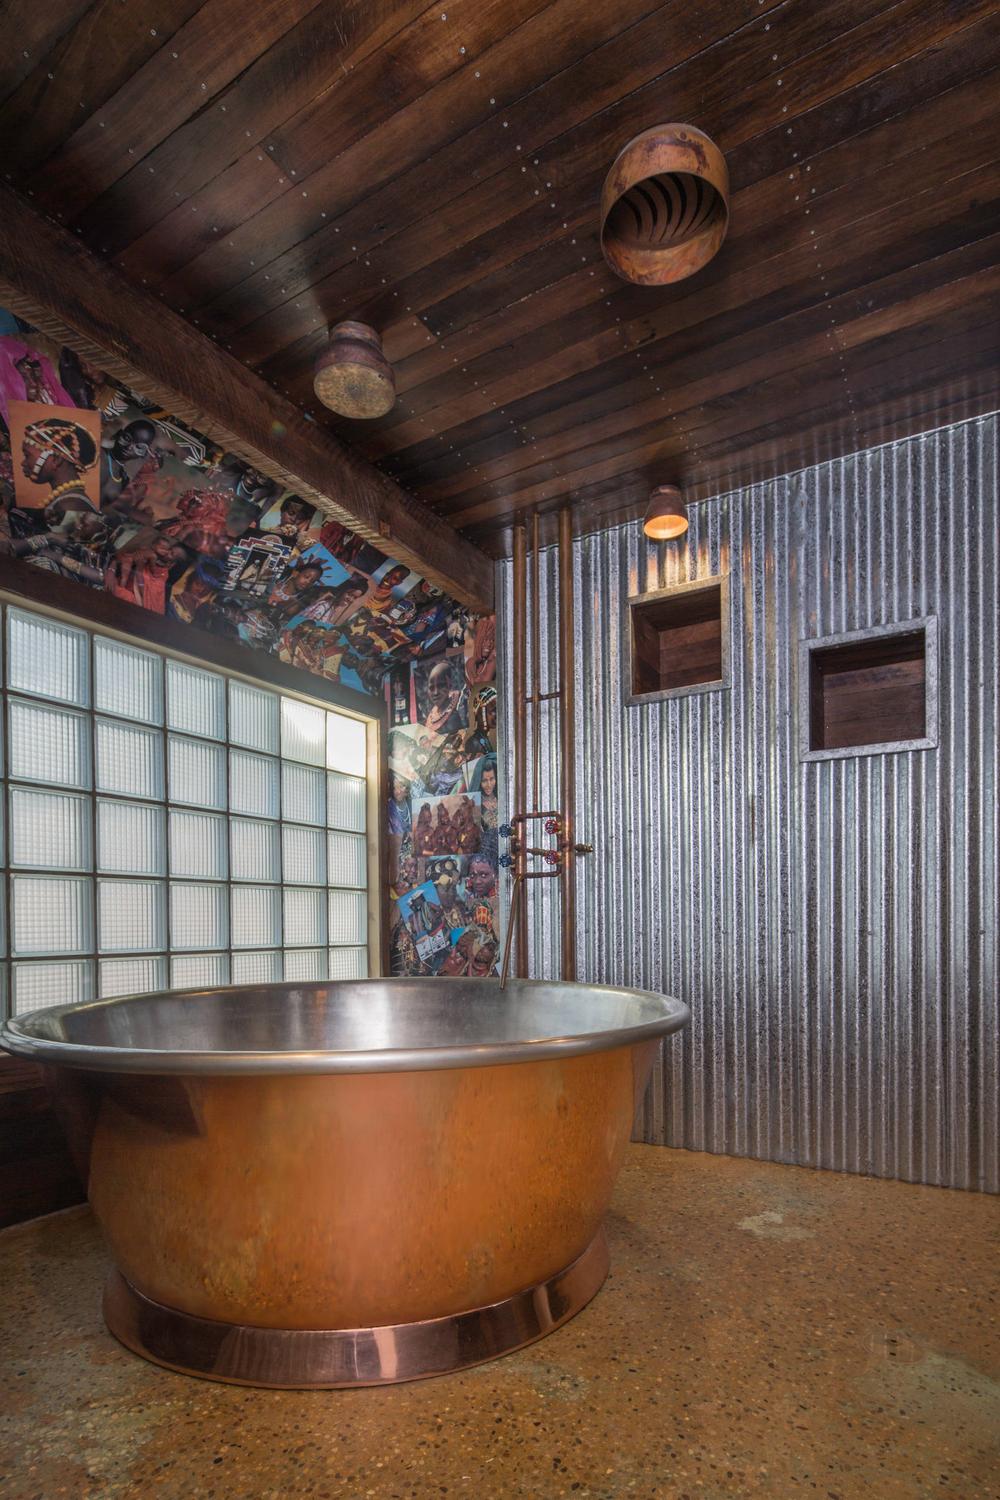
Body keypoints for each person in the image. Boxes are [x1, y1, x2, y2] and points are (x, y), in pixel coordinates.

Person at [19, 414, 98, 515]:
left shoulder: (69, 504)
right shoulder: (67, 499)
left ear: (56, 460)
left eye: (27, 455)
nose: (23, 463)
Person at [421, 658, 465, 735]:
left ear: (449, 686)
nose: (435, 693)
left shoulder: (458, 711)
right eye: (431, 688)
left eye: (441, 685)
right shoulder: (432, 713)